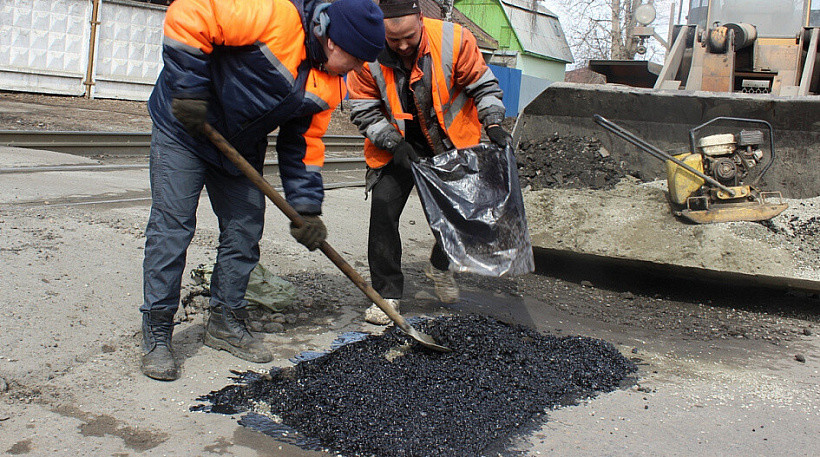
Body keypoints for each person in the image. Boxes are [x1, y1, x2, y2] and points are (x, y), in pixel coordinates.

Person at [140, 0, 385, 381]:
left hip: (237, 147)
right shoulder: (275, 15)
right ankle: (157, 331)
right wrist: (188, 90)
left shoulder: (331, 83)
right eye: (355, 60)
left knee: (244, 231)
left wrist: (306, 209)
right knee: (173, 229)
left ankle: (225, 322)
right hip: (184, 127)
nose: (358, 71)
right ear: (333, 41)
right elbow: (189, 13)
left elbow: (303, 145)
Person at [347, 0, 511, 325]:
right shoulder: (366, 54)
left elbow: (484, 85)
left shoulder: (455, 40)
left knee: (457, 220)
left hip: (448, 143)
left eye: (409, 36)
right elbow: (364, 110)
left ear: (421, 19)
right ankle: (387, 294)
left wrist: (492, 122)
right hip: (398, 148)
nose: (404, 45)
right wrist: (394, 144)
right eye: (394, 41)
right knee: (383, 213)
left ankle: (439, 266)